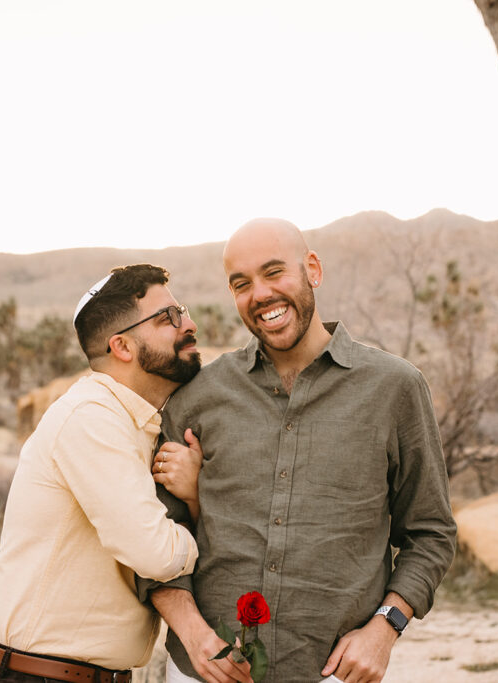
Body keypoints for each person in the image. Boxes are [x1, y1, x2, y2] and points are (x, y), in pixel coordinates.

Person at [141, 219, 457, 683]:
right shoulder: (199, 395)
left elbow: (430, 532)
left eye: (274, 273)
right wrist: (192, 635)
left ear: (313, 269)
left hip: (332, 673)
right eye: (241, 283)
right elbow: (153, 533)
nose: (260, 294)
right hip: (204, 671)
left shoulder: (394, 388)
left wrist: (384, 629)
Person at [0, 264, 204, 683]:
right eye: (169, 317)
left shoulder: (133, 421)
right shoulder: (92, 417)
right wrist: (206, 523)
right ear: (123, 347)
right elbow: (155, 553)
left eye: (180, 311)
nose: (190, 324)